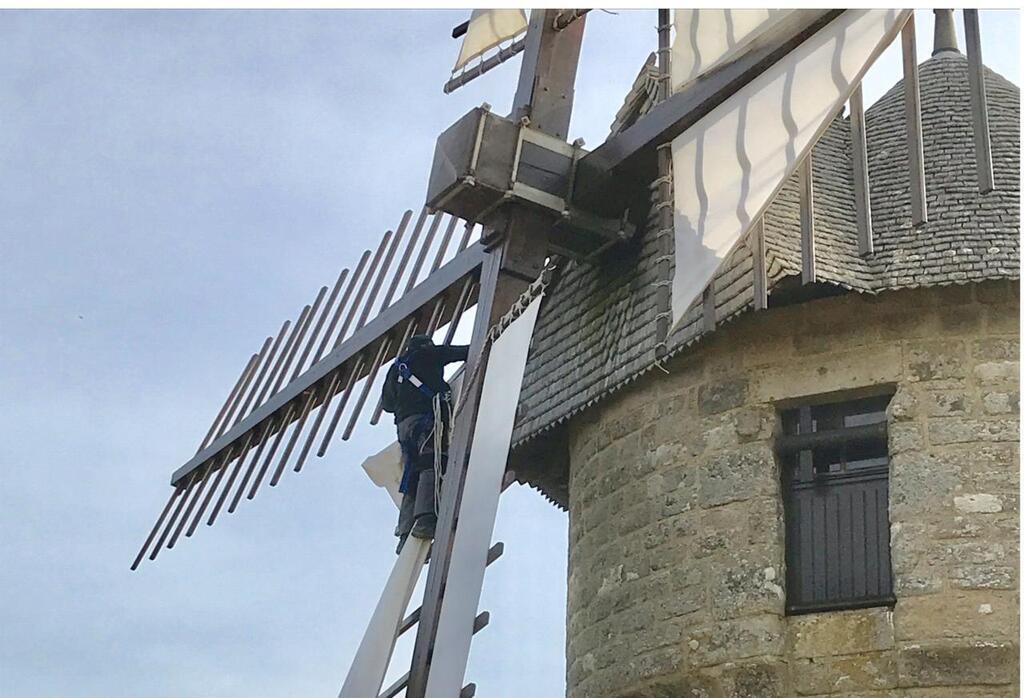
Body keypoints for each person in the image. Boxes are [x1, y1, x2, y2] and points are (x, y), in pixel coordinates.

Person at [381, 334, 469, 553]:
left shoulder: (396, 369)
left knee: (412, 473)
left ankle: (404, 533)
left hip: (404, 426)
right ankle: (426, 519)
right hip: (426, 418)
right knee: (430, 461)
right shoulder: (430, 354)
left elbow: (387, 404)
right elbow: (464, 351)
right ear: (426, 345)